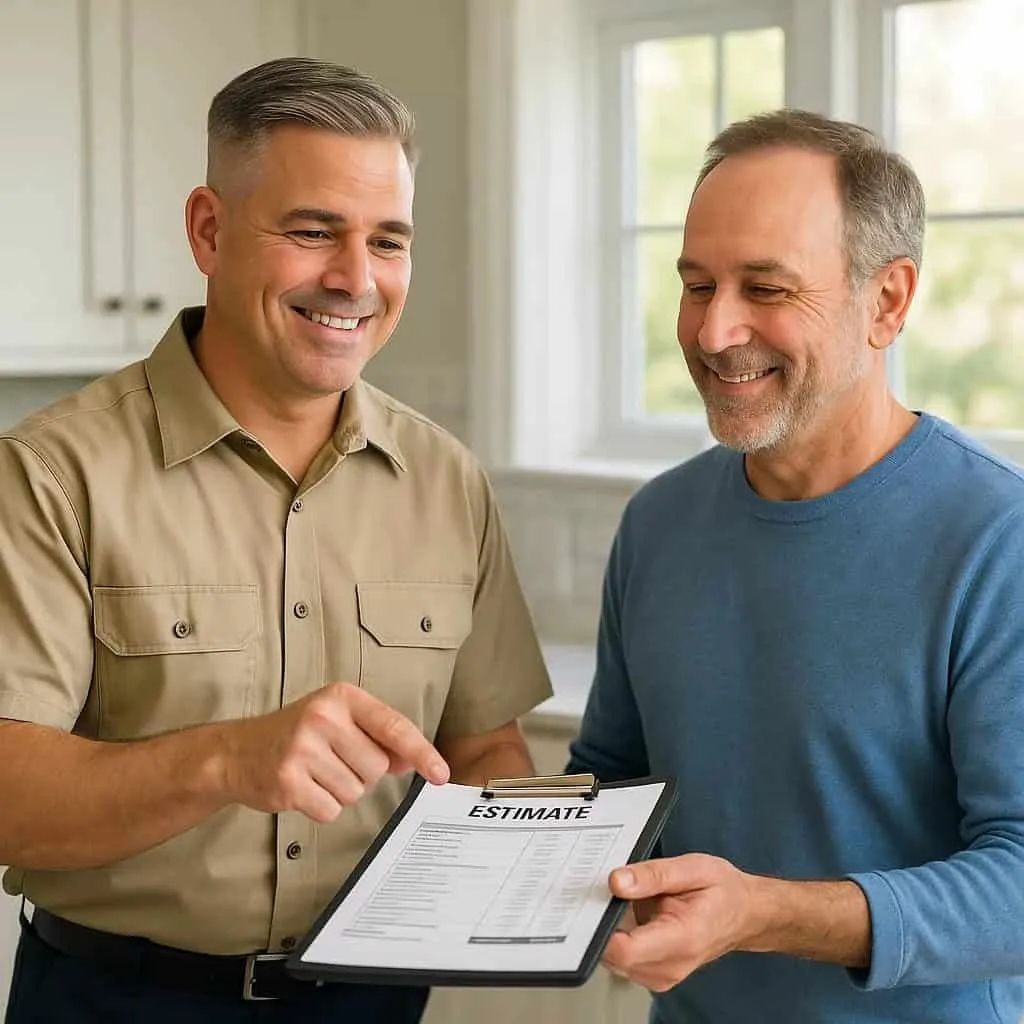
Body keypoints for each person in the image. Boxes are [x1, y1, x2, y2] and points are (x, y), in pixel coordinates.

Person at [0, 57, 551, 1023]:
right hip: (115, 1001)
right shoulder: (51, 474)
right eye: (312, 232)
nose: (355, 279)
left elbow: (484, 746)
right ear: (208, 231)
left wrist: (549, 864)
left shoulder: (448, 480)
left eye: (389, 241)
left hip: (373, 1004)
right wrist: (223, 761)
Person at [568, 109, 1024, 1022]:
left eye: (765, 288)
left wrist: (766, 915)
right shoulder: (658, 522)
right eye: (697, 285)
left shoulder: (996, 539)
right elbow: (610, 779)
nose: (712, 330)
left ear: (888, 299)